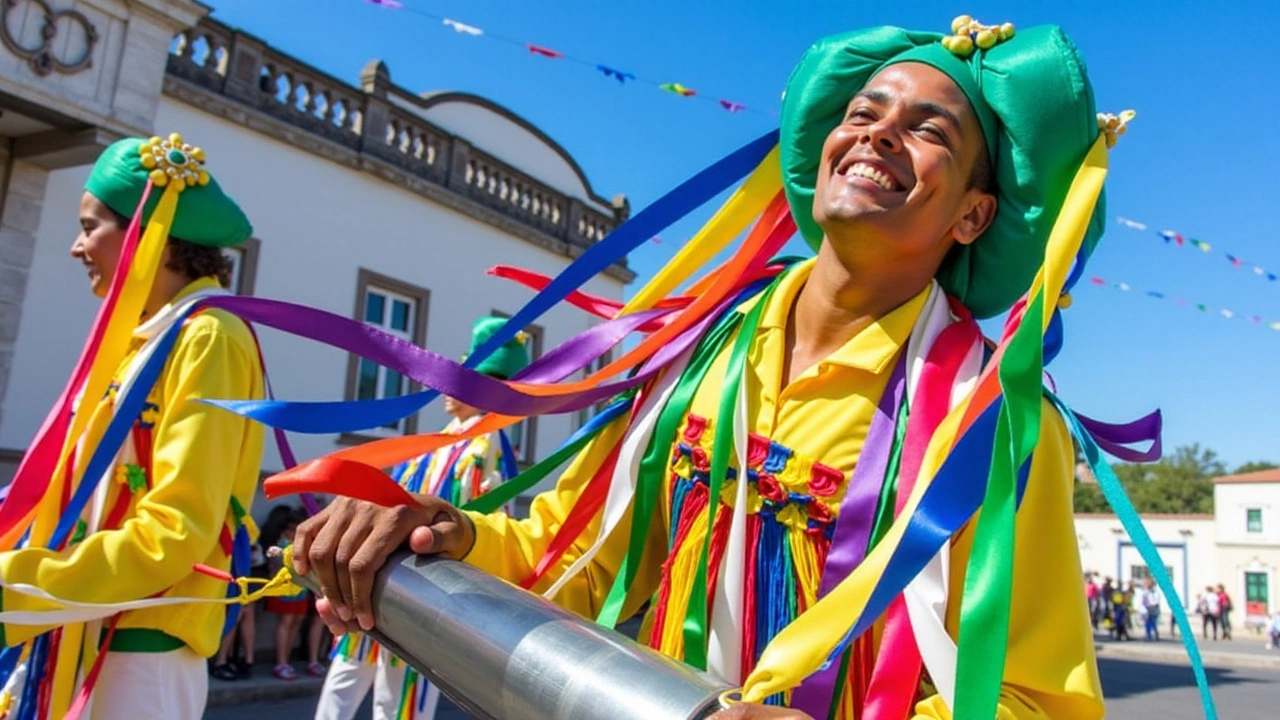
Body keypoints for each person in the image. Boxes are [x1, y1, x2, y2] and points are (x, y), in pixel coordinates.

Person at [293, 15, 1128, 719]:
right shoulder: (695, 351)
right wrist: (445, 531)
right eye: (865, 110)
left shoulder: (996, 422)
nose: (878, 131)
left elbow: (1035, 699)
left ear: (975, 215)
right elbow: (577, 557)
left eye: (929, 129)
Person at [0, 134, 264, 719]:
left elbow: (177, 530)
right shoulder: (146, 339)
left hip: (138, 648)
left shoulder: (209, 336)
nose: (77, 246)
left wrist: (17, 586)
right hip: (85, 627)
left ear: (148, 232)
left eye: (91, 226)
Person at [313, 317, 529, 720]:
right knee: (346, 679)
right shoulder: (442, 441)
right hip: (379, 575)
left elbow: (488, 521)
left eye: (460, 380)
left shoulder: (487, 450)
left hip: (424, 587)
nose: (446, 390)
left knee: (398, 700)